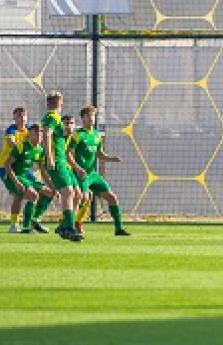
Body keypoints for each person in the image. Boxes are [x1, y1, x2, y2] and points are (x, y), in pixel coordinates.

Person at [67, 106, 130, 236]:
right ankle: (71, 222)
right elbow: (68, 154)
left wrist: (111, 158)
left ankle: (119, 228)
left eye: (93, 116)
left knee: (112, 197)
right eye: (88, 116)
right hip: (81, 174)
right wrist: (77, 168)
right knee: (83, 198)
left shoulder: (97, 135)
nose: (91, 119)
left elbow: (99, 154)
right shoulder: (78, 135)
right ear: (83, 118)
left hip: (92, 174)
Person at [41, 93, 82, 242]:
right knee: (68, 191)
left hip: (61, 161)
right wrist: (50, 157)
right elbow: (46, 134)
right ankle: (68, 227)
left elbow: (52, 136)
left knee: (72, 193)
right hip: (57, 161)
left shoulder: (53, 117)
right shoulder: (53, 116)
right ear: (60, 102)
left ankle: (65, 226)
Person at [3, 124, 55, 234]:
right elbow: (7, 165)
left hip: (25, 177)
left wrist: (53, 186)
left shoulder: (40, 150)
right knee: (32, 195)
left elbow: (43, 171)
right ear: (30, 134)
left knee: (50, 193)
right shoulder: (21, 146)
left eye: (41, 134)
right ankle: (26, 227)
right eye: (37, 133)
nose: (40, 136)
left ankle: (35, 220)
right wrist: (16, 182)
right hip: (12, 177)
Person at [1, 107, 29, 232]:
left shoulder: (28, 131)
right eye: (18, 115)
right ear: (14, 118)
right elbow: (11, 142)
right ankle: (14, 224)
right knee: (18, 194)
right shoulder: (11, 130)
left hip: (22, 169)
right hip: (6, 167)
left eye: (24, 115)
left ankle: (34, 221)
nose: (22, 118)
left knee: (42, 190)